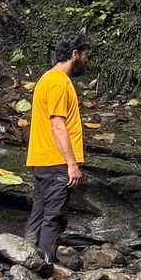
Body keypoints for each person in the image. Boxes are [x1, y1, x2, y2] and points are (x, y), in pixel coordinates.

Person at [25, 28, 89, 266]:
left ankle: (25, 260)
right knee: (54, 216)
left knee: (39, 214)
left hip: (42, 160)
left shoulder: (46, 78)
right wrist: (71, 164)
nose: (86, 60)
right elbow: (57, 125)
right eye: (85, 56)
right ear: (74, 54)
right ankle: (45, 265)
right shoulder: (59, 83)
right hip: (56, 161)